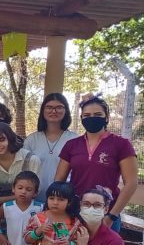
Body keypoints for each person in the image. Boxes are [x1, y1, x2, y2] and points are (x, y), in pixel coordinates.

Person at [55, 94, 138, 233]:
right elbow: (58, 181)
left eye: (97, 114)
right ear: (81, 118)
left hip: (106, 213)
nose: (92, 118)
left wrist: (111, 216)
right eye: (86, 115)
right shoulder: (72, 145)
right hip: (76, 212)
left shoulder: (121, 144)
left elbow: (131, 183)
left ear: (106, 117)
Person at [23, 93, 79, 203]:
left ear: (66, 111)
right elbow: (24, 171)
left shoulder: (74, 139)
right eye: (49, 107)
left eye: (59, 107)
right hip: (34, 199)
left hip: (62, 200)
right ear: (43, 111)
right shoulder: (31, 140)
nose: (54, 111)